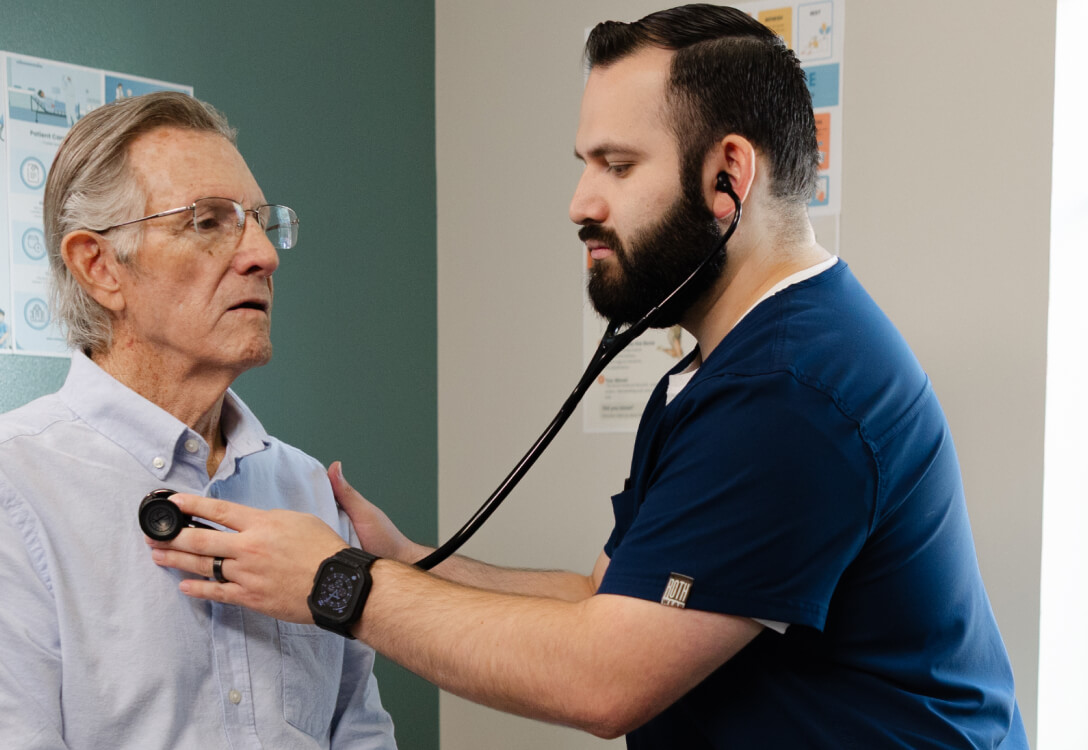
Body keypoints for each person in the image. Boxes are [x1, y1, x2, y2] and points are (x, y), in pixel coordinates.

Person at [145, 5, 1028, 748]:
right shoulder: (713, 368)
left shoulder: (793, 389)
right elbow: (606, 598)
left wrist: (337, 584)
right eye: (584, 164)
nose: (580, 202)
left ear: (728, 177)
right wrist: (407, 561)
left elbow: (603, 678)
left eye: (616, 164)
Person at [0, 91, 395, 749]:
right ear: (100, 267)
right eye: (208, 222)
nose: (264, 255)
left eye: (258, 220)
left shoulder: (308, 491)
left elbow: (359, 731)